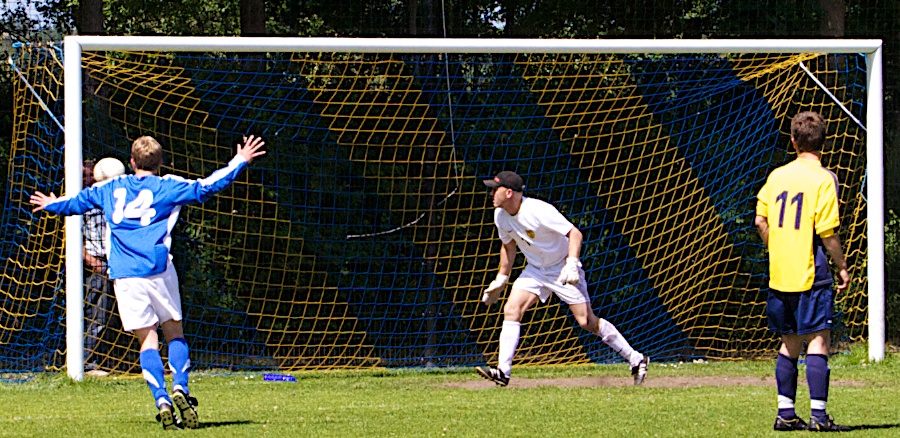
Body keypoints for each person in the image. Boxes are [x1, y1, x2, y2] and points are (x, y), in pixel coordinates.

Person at [31, 135, 266, 430]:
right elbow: (208, 186)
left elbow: (76, 203)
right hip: (158, 271)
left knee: (147, 341)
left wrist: (52, 204)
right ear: (161, 161)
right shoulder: (168, 186)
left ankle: (162, 399)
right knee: (174, 333)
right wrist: (240, 160)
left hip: (125, 276)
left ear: (131, 162)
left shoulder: (110, 187)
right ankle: (180, 387)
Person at [476, 171, 649, 387]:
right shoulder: (500, 215)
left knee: (586, 322)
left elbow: (574, 233)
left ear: (509, 192)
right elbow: (508, 246)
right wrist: (501, 278)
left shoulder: (538, 210)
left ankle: (635, 358)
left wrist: (572, 264)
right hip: (536, 270)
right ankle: (503, 372)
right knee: (511, 310)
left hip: (561, 267)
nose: (491, 193)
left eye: (495, 189)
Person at [755, 111, 851, 432]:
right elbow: (827, 233)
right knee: (818, 340)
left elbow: (760, 221)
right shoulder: (824, 178)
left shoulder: (776, 176)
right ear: (823, 142)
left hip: (780, 271)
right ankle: (819, 417)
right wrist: (842, 267)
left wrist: (776, 247)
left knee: (789, 341)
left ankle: (785, 413)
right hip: (811, 270)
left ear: (793, 141)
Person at [81, 159, 113, 375]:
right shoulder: (80, 202)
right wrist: (91, 260)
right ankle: (84, 362)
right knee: (92, 313)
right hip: (91, 265)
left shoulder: (108, 198)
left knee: (105, 315)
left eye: (91, 176)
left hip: (112, 260)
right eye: (84, 176)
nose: (89, 180)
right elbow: (73, 238)